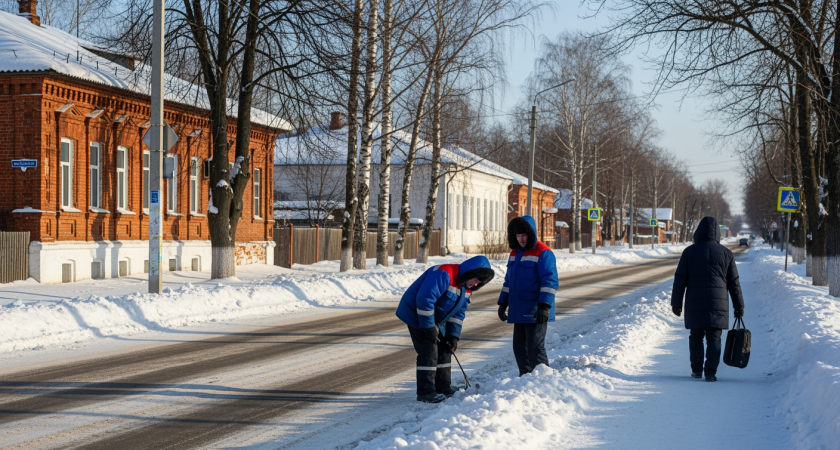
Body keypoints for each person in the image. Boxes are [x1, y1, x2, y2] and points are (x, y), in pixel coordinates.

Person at [396, 255, 495, 403]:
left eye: (480, 283)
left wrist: (452, 336)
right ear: (471, 273)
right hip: (416, 314)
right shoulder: (444, 273)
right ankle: (425, 392)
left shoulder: (466, 288)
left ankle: (443, 387)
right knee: (429, 351)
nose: (476, 284)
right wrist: (428, 327)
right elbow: (424, 300)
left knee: (445, 348)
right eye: (476, 279)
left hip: (436, 318)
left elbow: (458, 313)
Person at [671, 216, 745, 382]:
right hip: (718, 304)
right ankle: (710, 372)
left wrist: (676, 303)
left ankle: (697, 371)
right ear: (717, 233)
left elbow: (679, 280)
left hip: (695, 303)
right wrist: (739, 306)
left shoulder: (689, 252)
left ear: (698, 232)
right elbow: (734, 283)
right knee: (714, 337)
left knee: (696, 335)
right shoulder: (726, 254)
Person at [497, 215, 559, 376]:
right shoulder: (514, 253)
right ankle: (526, 378)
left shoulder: (543, 252)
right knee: (519, 347)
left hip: (535, 310)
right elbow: (509, 281)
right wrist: (503, 302)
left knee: (535, 347)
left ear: (530, 233)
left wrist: (544, 306)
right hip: (519, 309)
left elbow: (550, 281)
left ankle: (543, 380)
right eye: (517, 235)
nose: (521, 239)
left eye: (523, 235)